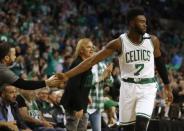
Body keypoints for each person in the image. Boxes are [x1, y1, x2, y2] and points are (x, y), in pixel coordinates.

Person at [56, 7, 173, 131]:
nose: (145, 24)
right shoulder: (118, 43)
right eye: (141, 21)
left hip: (147, 87)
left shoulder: (153, 41)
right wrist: (67, 75)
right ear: (132, 23)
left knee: (141, 124)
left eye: (145, 21)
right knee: (127, 128)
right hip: (127, 88)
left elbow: (159, 62)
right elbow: (91, 61)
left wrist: (167, 86)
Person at [60, 38, 94, 131]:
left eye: (92, 47)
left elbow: (83, 83)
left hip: (82, 103)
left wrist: (87, 95)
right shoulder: (77, 64)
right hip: (74, 106)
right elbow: (73, 87)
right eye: (88, 47)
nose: (91, 49)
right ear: (81, 50)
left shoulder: (87, 64)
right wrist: (79, 107)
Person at [88, 62, 113, 131]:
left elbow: (110, 82)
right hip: (85, 104)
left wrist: (109, 74)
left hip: (97, 104)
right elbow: (86, 84)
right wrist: (101, 77)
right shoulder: (86, 65)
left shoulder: (102, 65)